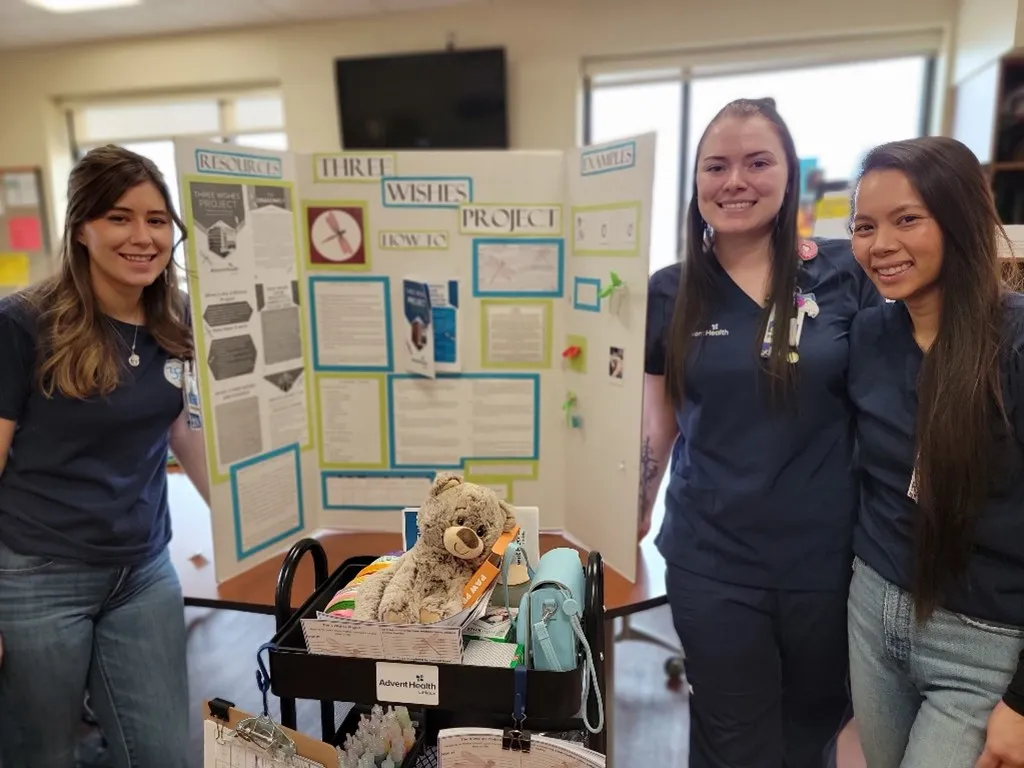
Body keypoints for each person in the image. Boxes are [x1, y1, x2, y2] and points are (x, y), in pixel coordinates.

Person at [640, 97, 879, 768]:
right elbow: (656, 427)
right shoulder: (670, 291)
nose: (734, 181)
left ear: (787, 175)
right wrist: (625, 526)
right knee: (732, 738)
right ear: (695, 184)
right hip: (713, 558)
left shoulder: (844, 272)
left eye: (757, 162)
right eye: (716, 166)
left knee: (813, 731)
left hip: (827, 557)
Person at [0, 145, 209, 767]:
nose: (142, 236)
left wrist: (248, 526)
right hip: (37, 574)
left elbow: (182, 432)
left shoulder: (176, 318)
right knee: (42, 754)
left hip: (142, 569)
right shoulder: (23, 322)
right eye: (120, 217)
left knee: (163, 753)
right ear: (83, 227)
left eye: (156, 219)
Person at [846, 136, 1024, 768]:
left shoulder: (1015, 343)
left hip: (986, 641)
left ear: (960, 220)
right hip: (874, 611)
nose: (880, 245)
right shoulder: (869, 335)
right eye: (865, 226)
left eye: (907, 220)